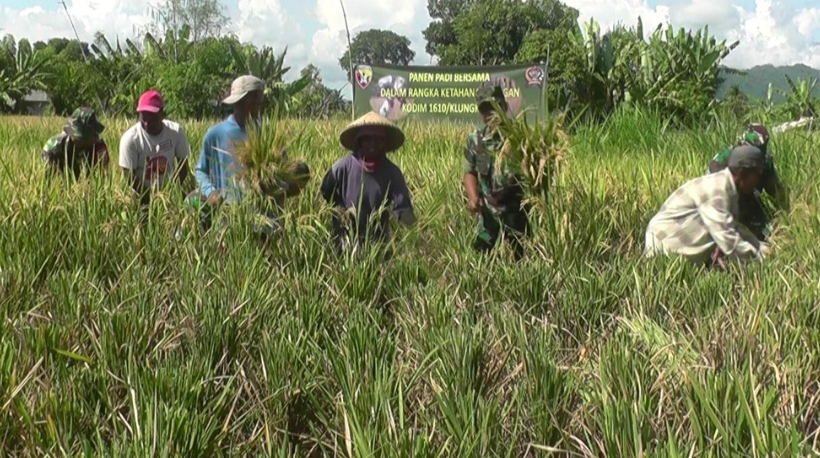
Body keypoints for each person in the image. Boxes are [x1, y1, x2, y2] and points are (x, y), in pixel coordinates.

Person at [190, 75, 307, 235]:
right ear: (240, 102)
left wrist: (288, 185)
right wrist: (211, 193)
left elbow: (283, 170)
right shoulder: (215, 134)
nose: (257, 107)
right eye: (253, 102)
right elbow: (201, 171)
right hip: (228, 217)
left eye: (258, 102)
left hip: (266, 218)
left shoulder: (269, 134)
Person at [646, 145, 771, 266]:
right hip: (665, 247)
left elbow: (733, 227)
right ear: (743, 173)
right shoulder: (717, 191)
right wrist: (760, 259)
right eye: (757, 175)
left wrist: (762, 247)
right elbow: (727, 238)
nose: (757, 181)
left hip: (675, 247)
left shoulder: (728, 188)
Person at [320, 111, 415, 253]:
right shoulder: (342, 167)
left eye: (378, 139)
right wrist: (340, 210)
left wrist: (417, 230)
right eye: (367, 139)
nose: (372, 144)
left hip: (378, 245)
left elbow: (402, 207)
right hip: (346, 244)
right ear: (359, 142)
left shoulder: (392, 173)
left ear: (384, 143)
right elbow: (326, 191)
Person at [462, 84, 529, 260]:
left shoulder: (520, 137)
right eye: (485, 109)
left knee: (522, 263)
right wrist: (473, 197)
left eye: (494, 107)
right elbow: (469, 172)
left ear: (504, 107)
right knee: (479, 261)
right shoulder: (476, 140)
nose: (490, 113)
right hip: (489, 217)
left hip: (516, 216)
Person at [708, 124, 789, 240]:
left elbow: (775, 189)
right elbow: (711, 174)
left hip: (750, 198)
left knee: (761, 229)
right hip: (726, 198)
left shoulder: (765, 162)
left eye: (761, 149)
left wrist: (786, 210)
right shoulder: (727, 155)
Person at [119, 89, 191, 205]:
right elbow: (129, 175)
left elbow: (183, 166)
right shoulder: (130, 139)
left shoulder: (176, 132)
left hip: (169, 194)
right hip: (140, 196)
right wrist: (150, 199)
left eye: (152, 120)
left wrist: (170, 193)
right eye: (143, 119)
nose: (147, 124)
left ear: (162, 114)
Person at [42, 107, 109, 179]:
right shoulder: (54, 148)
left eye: (95, 135)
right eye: (91, 137)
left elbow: (103, 176)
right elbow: (50, 181)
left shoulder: (98, 146)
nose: (95, 139)